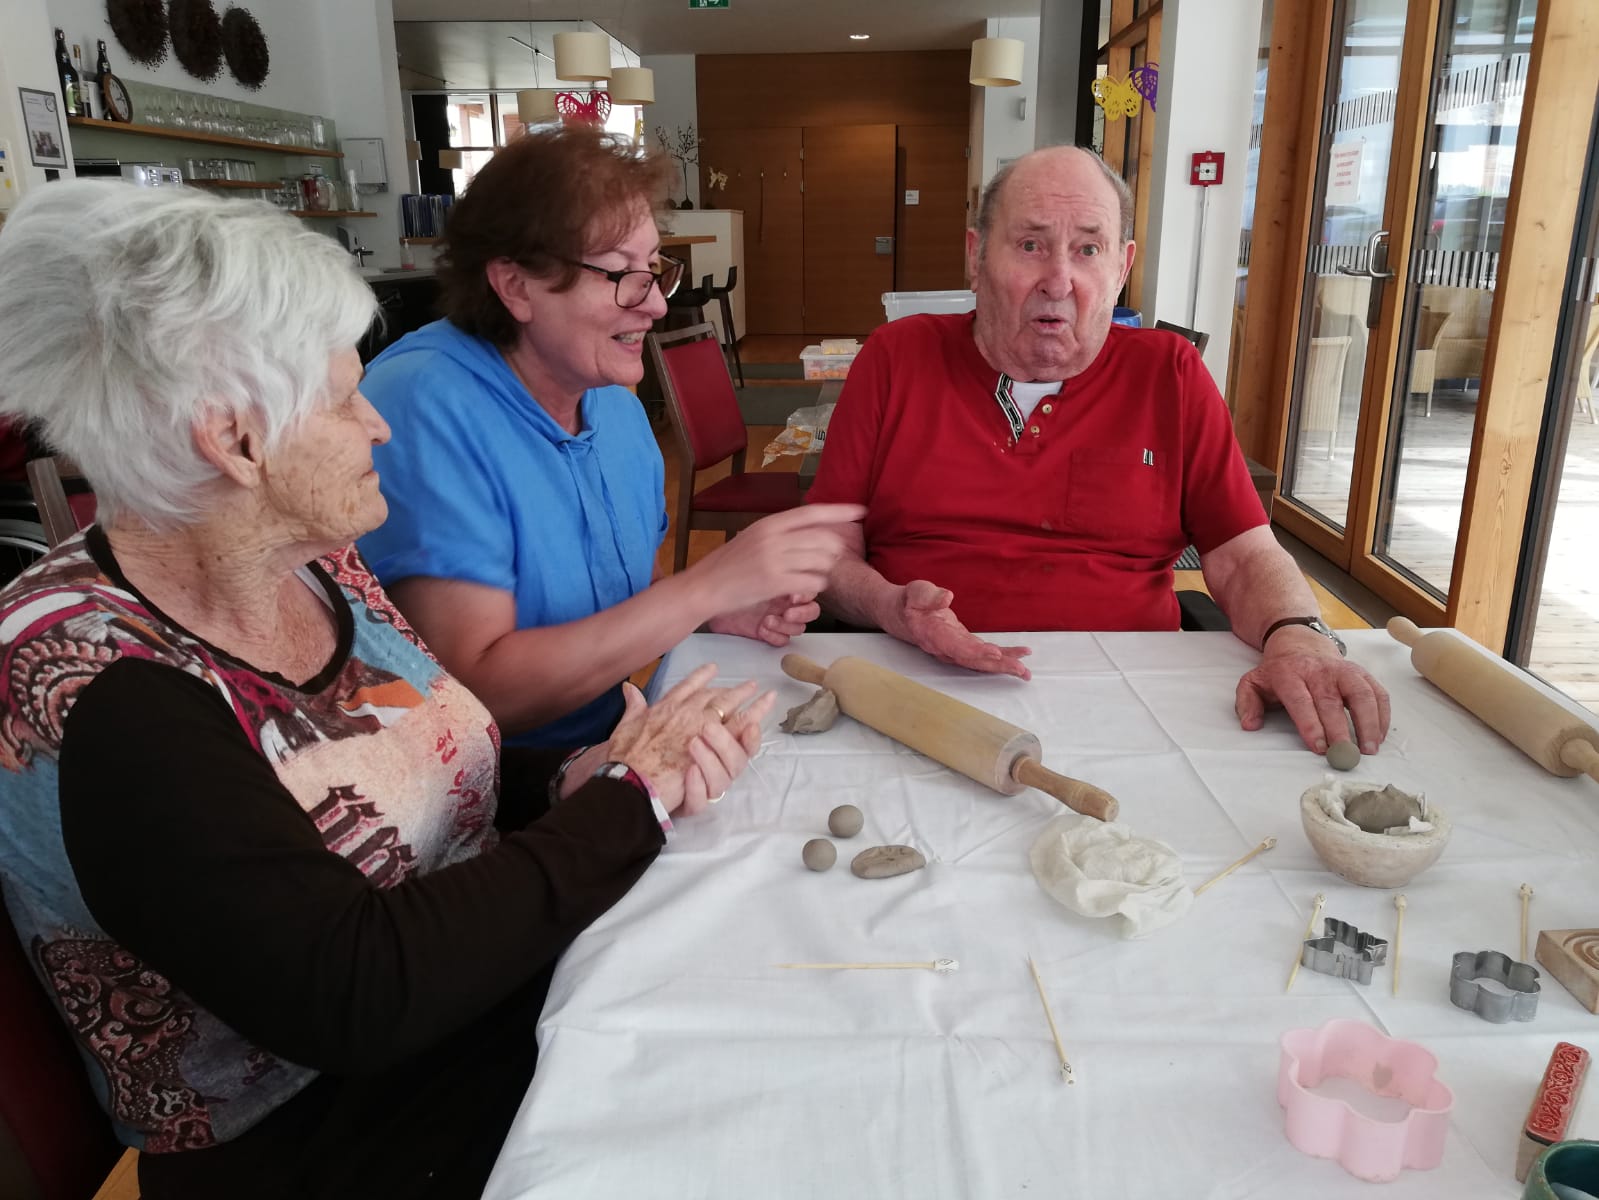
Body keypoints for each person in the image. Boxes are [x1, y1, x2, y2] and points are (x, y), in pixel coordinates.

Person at [0, 180, 776, 1199]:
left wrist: (571, 779)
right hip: (328, 1132)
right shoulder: (103, 686)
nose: (379, 425)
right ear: (234, 439)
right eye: (342, 399)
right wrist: (629, 802)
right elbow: (355, 993)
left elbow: (413, 759)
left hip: (473, 1008)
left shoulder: (314, 564)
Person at [807, 145, 1389, 758]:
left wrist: (1298, 636)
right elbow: (825, 549)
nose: (1058, 281)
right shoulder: (896, 359)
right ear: (976, 257)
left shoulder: (1170, 375)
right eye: (1030, 245)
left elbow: (1244, 557)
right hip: (916, 684)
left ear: (1121, 267)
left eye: (1088, 249)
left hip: (1133, 696)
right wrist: (890, 607)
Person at [357, 122, 861, 749]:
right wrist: (705, 586)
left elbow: (628, 595)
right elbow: (476, 697)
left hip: (607, 736)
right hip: (481, 782)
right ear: (515, 286)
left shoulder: (612, 408)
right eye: (622, 272)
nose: (655, 304)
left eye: (654, 268)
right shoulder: (423, 405)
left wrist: (715, 611)